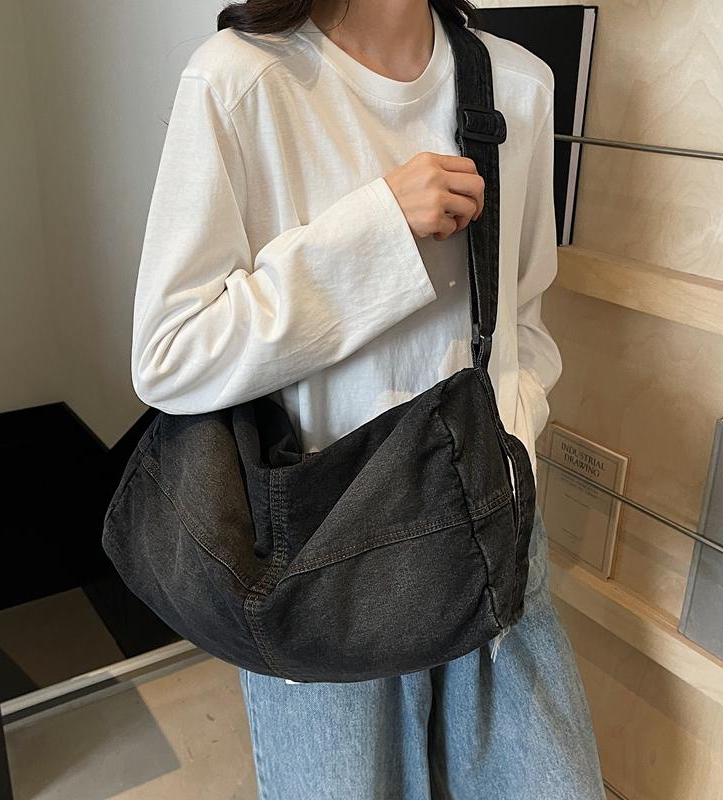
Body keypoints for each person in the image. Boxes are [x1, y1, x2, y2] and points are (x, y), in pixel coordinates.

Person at [130, 0, 606, 797]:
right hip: (321, 559)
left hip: (487, 532)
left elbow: (524, 320)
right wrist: (377, 232)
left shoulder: (517, 85)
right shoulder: (240, 81)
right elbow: (170, 355)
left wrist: (512, 437)